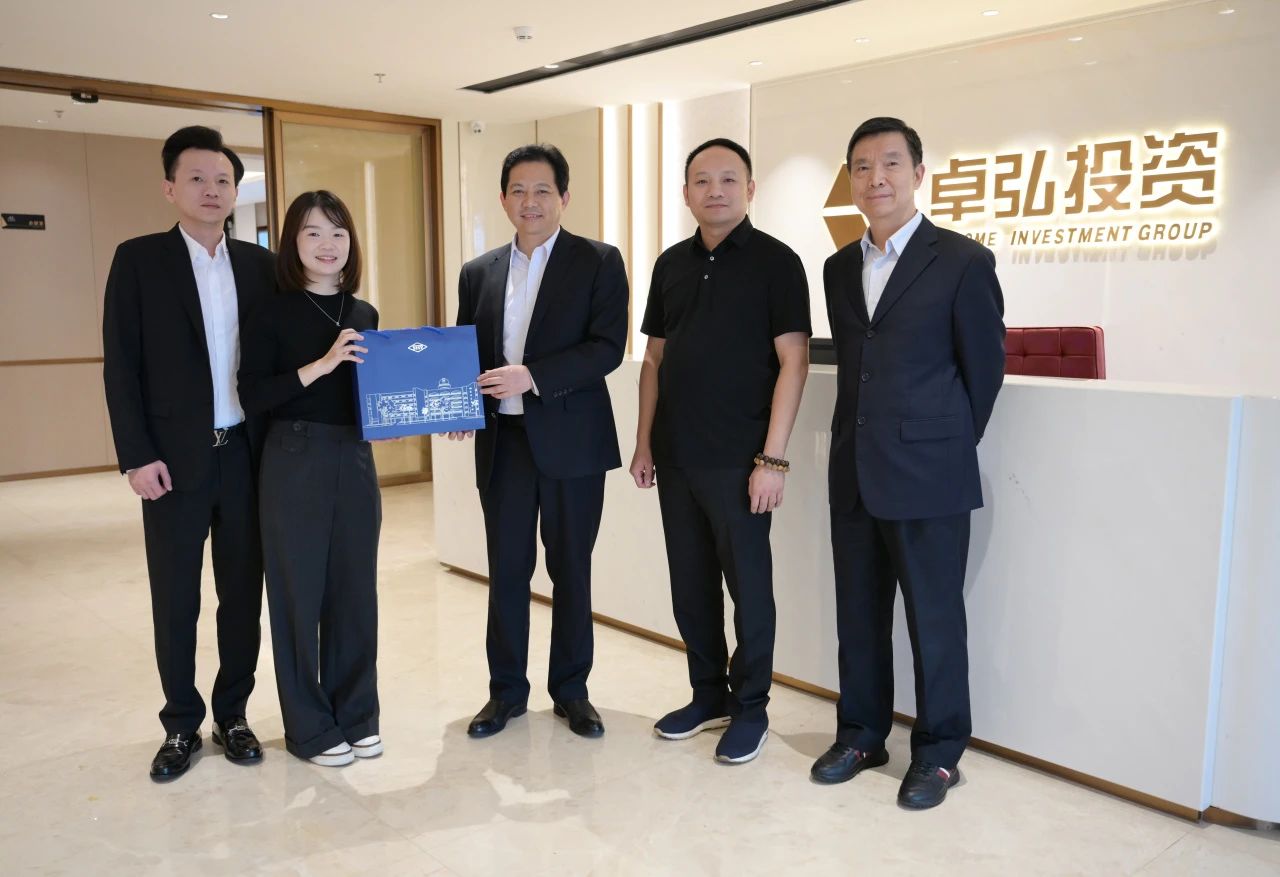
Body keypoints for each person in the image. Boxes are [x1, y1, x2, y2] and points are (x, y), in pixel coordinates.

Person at [811, 117, 1005, 808]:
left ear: (919, 173)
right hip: (855, 472)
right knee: (858, 616)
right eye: (862, 166)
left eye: (891, 163)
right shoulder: (838, 267)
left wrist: (942, 444)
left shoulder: (962, 261)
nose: (876, 178)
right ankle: (862, 734)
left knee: (934, 621)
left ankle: (940, 751)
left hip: (930, 475)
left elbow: (984, 373)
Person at [630, 138, 811, 765]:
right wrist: (644, 442)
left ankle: (751, 706)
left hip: (741, 460)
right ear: (686, 193)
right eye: (702, 180)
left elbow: (794, 362)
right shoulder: (670, 264)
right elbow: (653, 360)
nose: (716, 190)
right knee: (691, 586)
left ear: (750, 189)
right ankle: (706, 695)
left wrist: (773, 459)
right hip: (676, 455)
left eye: (729, 179)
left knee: (749, 590)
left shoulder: (777, 262)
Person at [102, 125, 273, 780]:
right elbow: (122, 366)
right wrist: (135, 456)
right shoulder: (139, 260)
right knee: (176, 597)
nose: (211, 189)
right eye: (197, 178)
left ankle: (233, 714)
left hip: (246, 457)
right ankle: (180, 723)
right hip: (172, 464)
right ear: (169, 187)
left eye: (223, 179)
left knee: (241, 595)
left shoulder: (260, 266)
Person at [450, 144, 628, 740]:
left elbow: (606, 347)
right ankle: (505, 693)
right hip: (503, 442)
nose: (531, 202)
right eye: (519, 191)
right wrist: (461, 404)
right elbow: (465, 352)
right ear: (503, 199)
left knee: (571, 568)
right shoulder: (477, 272)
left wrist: (533, 377)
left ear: (564, 198)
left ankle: (572, 691)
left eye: (543, 191)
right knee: (506, 571)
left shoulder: (599, 261)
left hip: (572, 442)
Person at [238, 190, 382, 767]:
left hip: (355, 457)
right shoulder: (271, 311)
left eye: (338, 233)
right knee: (298, 595)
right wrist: (320, 366)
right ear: (292, 242)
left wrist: (424, 410)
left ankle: (357, 714)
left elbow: (371, 392)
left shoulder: (365, 313)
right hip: (293, 457)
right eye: (314, 233)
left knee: (355, 591)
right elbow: (253, 395)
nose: (328, 244)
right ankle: (310, 728)